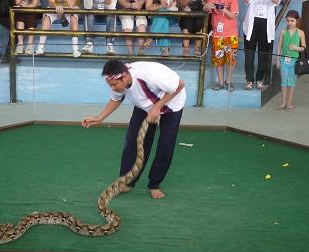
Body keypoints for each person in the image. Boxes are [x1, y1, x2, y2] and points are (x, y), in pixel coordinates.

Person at [82, 60, 185, 199]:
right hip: (143, 106)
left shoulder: (150, 75)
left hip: (171, 105)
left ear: (124, 77)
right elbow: (116, 99)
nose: (113, 88)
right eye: (110, 85)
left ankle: (154, 184)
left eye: (114, 85)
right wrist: (100, 117)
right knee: (132, 143)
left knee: (165, 145)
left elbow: (179, 85)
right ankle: (127, 182)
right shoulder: (119, 81)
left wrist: (157, 107)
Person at [242, 0, 281, 91]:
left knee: (263, 55)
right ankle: (249, 80)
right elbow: (246, 1)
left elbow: (276, 2)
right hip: (251, 23)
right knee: (249, 54)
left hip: (266, 24)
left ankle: (259, 79)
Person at [204, 0, 239, 92]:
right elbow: (205, 9)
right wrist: (207, 6)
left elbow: (233, 16)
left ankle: (228, 81)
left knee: (231, 59)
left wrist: (224, 10)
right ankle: (220, 83)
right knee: (218, 60)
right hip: (217, 34)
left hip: (230, 35)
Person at [276, 10, 306, 112]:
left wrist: (295, 48)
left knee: (292, 82)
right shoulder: (283, 32)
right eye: (288, 21)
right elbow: (279, 46)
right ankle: (283, 102)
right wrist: (278, 60)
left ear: (297, 20)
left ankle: (289, 103)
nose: (290, 23)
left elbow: (304, 47)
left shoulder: (301, 33)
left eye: (292, 21)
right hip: (284, 60)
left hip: (294, 62)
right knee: (284, 82)